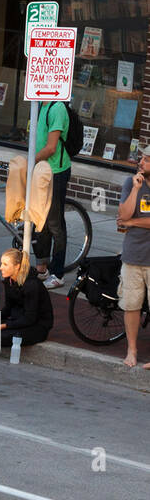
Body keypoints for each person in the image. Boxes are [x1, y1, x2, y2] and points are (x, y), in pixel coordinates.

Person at [115, 146, 150, 368]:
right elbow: (122, 215)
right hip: (133, 255)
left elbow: (129, 221)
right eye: (142, 158)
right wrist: (136, 190)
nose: (142, 162)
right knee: (132, 305)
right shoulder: (131, 183)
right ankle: (132, 350)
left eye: (147, 159)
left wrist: (133, 223)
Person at [34, 99, 71, 290]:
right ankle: (42, 268)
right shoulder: (41, 104)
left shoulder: (57, 107)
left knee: (55, 223)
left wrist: (30, 160)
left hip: (55, 171)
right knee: (41, 219)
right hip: (42, 169)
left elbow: (51, 147)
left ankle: (58, 273)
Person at [0, 248, 53, 350]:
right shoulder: (8, 280)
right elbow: (8, 308)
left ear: (17, 266)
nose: (0, 267)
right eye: (1, 264)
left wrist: (4, 325)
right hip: (18, 320)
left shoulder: (32, 285)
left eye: (5, 264)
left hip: (37, 327)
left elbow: (30, 318)